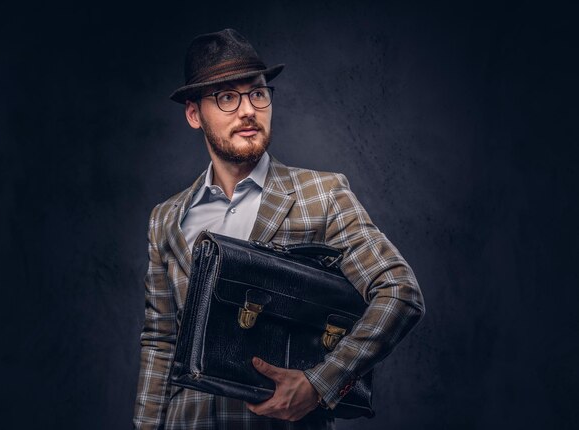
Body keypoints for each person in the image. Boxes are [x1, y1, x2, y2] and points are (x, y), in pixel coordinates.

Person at [133, 28, 425, 430]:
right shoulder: (165, 218)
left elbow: (400, 292)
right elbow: (161, 341)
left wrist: (320, 383)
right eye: (226, 97)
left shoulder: (321, 195)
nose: (248, 110)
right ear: (193, 113)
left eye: (257, 92)